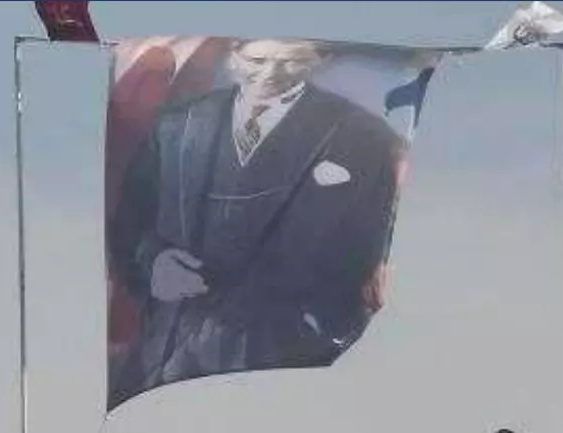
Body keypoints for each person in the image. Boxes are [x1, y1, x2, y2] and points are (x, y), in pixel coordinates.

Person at [107, 37, 404, 400]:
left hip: (287, 363)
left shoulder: (362, 138)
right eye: (257, 60)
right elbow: (130, 223)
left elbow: (374, 244)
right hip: (166, 357)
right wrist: (153, 264)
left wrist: (321, 329)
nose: (270, 74)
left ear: (320, 60)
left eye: (291, 61)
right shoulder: (176, 126)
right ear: (233, 56)